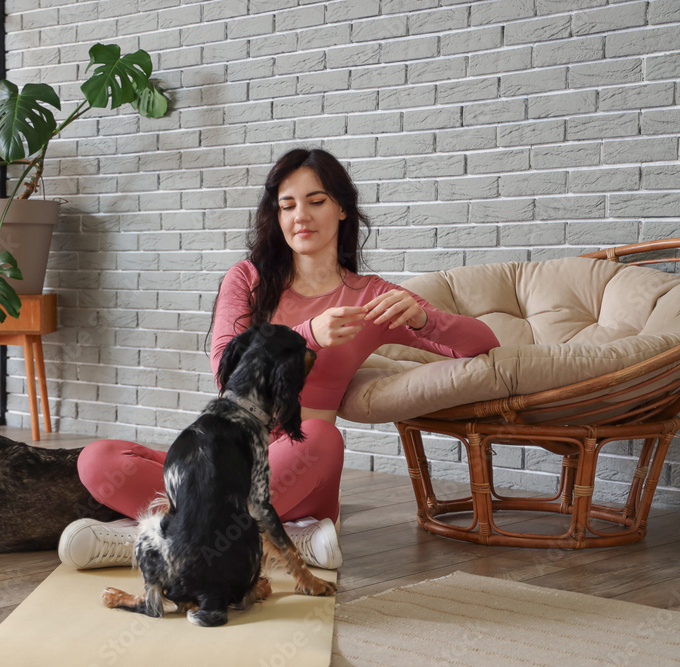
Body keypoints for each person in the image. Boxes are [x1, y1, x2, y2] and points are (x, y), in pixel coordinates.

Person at [58, 148, 500, 570]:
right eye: (286, 205)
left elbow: (481, 343)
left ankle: (150, 539)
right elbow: (225, 372)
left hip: (297, 474)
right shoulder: (247, 278)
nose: (300, 216)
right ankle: (282, 539)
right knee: (97, 460)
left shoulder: (372, 298)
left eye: (315, 201)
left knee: (322, 438)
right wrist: (309, 335)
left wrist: (425, 320)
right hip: (223, 462)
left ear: (342, 208)